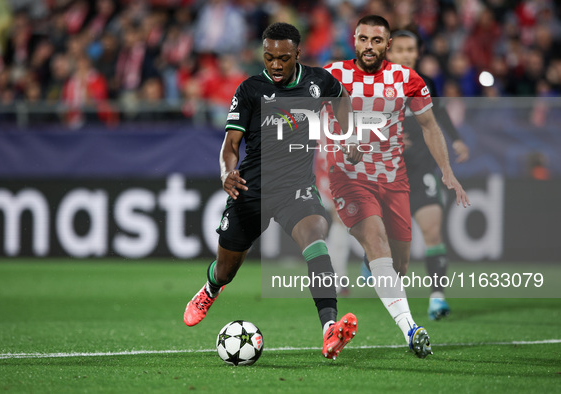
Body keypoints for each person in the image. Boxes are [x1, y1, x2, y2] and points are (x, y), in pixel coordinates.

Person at [183, 22, 357, 360]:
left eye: (283, 58)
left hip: (296, 189)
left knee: (316, 242)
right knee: (226, 270)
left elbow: (343, 99)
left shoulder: (319, 82)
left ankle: (329, 330)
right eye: (269, 57)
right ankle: (210, 289)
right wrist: (226, 172)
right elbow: (230, 144)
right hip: (251, 190)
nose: (275, 65)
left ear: (297, 55)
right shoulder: (250, 89)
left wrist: (349, 134)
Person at [324, 15, 470, 358]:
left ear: (386, 45)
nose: (369, 47)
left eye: (377, 41)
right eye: (363, 39)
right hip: (349, 176)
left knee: (398, 263)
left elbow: (431, 126)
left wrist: (447, 170)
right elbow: (307, 113)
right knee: (377, 241)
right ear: (354, 40)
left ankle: (378, 268)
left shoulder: (407, 79)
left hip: (394, 179)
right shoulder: (333, 74)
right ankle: (411, 329)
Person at [386, 29, 470, 321]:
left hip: (422, 167)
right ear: (388, 52)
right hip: (386, 169)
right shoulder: (373, 84)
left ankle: (437, 297)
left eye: (411, 49)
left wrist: (455, 139)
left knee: (432, 229)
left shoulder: (426, 82)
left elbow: (439, 114)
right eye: (400, 50)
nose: (406, 55)